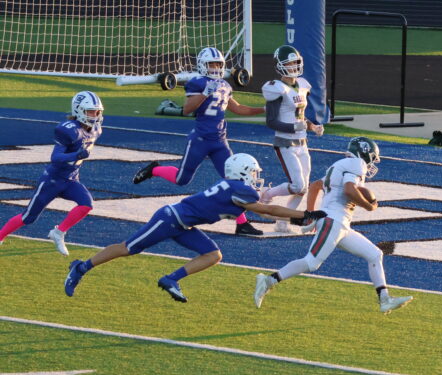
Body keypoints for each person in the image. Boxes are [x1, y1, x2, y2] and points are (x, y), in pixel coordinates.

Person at [65, 153, 325, 303]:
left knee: (213, 255)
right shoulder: (239, 189)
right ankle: (81, 267)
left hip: (183, 224)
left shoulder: (235, 188)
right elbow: (268, 211)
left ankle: (170, 279)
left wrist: (300, 218)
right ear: (243, 172)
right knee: (128, 248)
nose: (256, 178)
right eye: (253, 173)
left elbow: (264, 211)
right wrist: (303, 215)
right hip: (170, 218)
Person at [253, 137, 412, 314]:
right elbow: (349, 190)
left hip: (340, 223)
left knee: (375, 254)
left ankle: (384, 299)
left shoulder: (339, 165)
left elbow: (315, 186)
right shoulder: (357, 163)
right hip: (334, 220)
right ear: (365, 153)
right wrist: (369, 206)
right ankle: (268, 281)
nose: (371, 163)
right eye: (372, 157)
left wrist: (311, 213)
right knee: (311, 263)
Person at [131, 47, 267, 236]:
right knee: (182, 180)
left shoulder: (224, 85)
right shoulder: (197, 82)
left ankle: (242, 223)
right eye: (211, 64)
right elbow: (187, 109)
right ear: (203, 65)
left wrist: (263, 109)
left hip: (220, 141)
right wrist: (204, 93)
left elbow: (238, 108)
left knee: (235, 181)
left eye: (218, 64)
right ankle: (154, 169)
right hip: (200, 140)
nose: (215, 68)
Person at [0, 91, 104, 256]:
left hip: (71, 179)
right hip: (52, 181)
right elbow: (55, 158)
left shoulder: (96, 129)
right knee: (28, 217)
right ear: (79, 110)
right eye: (91, 111)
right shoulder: (69, 130)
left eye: (97, 111)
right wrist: (76, 155)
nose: (95, 115)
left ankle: (58, 232)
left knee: (86, 204)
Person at [257, 45, 324, 234]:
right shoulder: (276, 88)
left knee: (303, 189)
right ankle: (267, 194)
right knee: (298, 185)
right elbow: (271, 122)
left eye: (295, 62)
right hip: (285, 142)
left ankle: (282, 222)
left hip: (302, 142)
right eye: (289, 63)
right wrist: (294, 127)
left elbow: (298, 117)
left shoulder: (302, 85)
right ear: (280, 66)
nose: (293, 66)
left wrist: (312, 126)